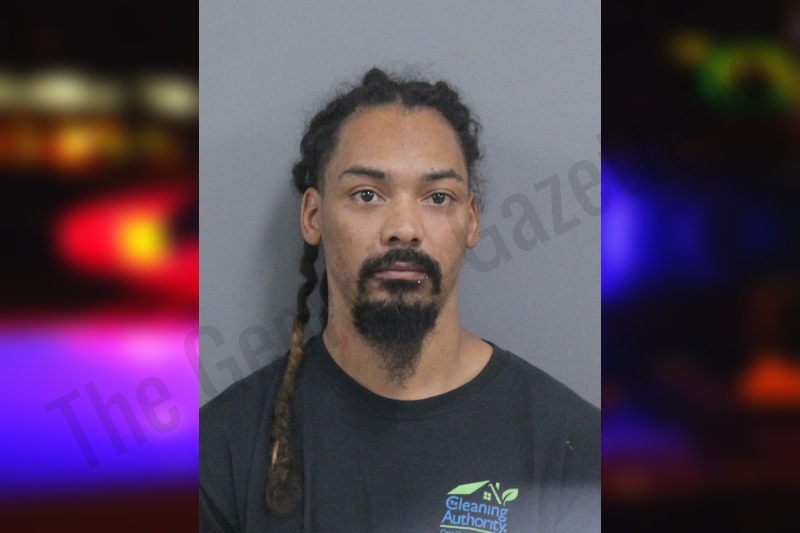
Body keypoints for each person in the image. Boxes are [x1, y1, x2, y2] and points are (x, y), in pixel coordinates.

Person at [200, 68, 600, 532]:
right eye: (367, 194)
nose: (404, 228)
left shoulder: (573, 449)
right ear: (313, 216)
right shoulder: (221, 450)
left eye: (438, 197)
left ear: (471, 221)